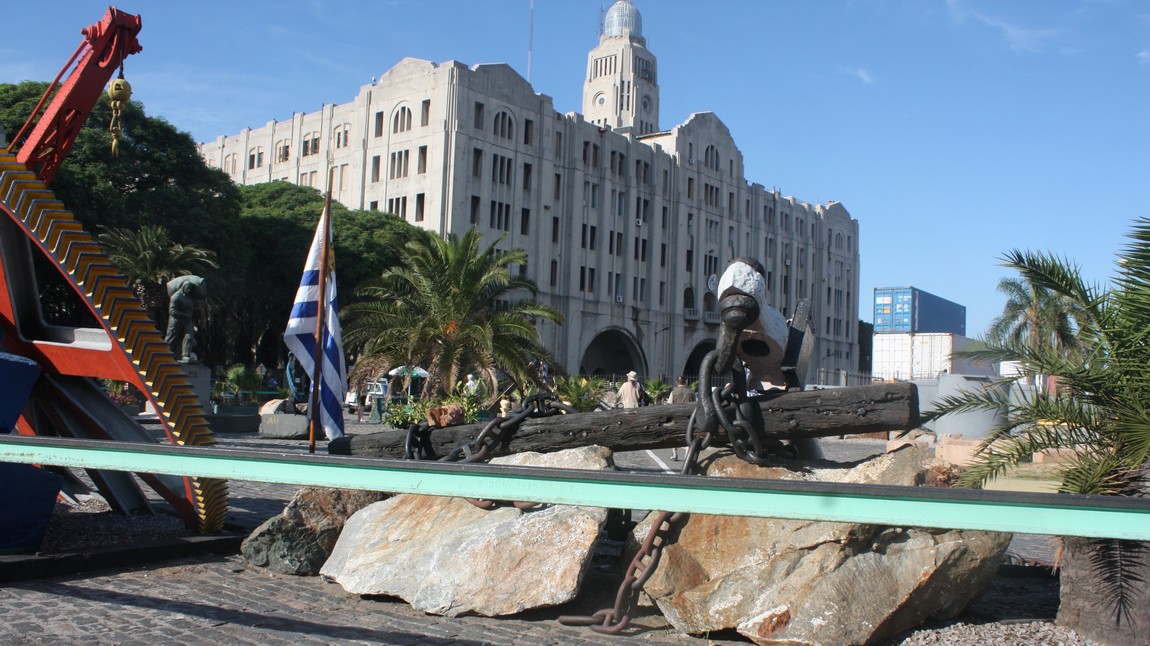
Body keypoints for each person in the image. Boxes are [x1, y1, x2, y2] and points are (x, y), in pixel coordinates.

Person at [667, 376, 695, 460]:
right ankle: (687, 454)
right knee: (688, 435)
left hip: (676, 417)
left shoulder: (673, 392)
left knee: (675, 435)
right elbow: (695, 404)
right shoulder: (691, 392)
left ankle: (674, 454)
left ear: (677, 382)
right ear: (685, 382)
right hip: (688, 418)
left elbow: (669, 405)